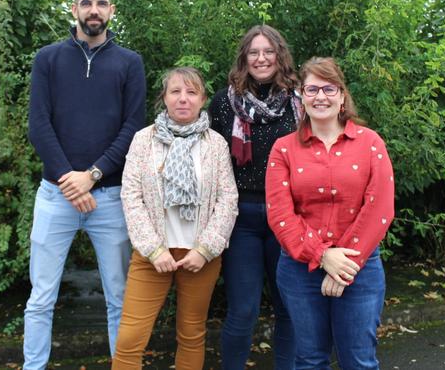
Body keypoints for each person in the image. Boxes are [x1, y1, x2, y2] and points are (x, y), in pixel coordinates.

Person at [23, 0, 146, 370]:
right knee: (41, 297)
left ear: (112, 11)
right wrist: (69, 181)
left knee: (119, 296)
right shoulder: (48, 59)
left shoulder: (130, 63)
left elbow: (133, 128)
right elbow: (39, 125)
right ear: (74, 9)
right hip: (54, 195)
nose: (94, 10)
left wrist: (91, 175)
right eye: (87, 3)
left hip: (109, 197)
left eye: (102, 4)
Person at [265, 56, 395, 370]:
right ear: (300, 95)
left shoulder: (370, 143)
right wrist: (323, 256)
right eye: (312, 89)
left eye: (328, 88)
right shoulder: (283, 149)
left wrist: (344, 263)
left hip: (359, 269)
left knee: (359, 362)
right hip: (299, 271)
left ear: (341, 95)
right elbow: (280, 215)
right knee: (309, 360)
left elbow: (380, 207)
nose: (320, 97)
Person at [112, 67, 238, 370]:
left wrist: (205, 250)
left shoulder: (216, 144)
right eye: (176, 92)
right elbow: (130, 196)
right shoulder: (144, 140)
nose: (184, 99)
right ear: (164, 98)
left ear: (203, 99)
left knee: (192, 334)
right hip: (151, 255)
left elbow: (228, 199)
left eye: (192, 92)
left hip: (200, 258)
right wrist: (154, 250)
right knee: (129, 338)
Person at [209, 25, 300, 369]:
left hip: (288, 217)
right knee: (242, 310)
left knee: (288, 307)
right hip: (240, 219)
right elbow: (213, 161)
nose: (261, 58)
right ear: (244, 58)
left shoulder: (299, 102)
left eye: (268, 51)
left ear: (280, 56)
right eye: (254, 52)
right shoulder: (223, 103)